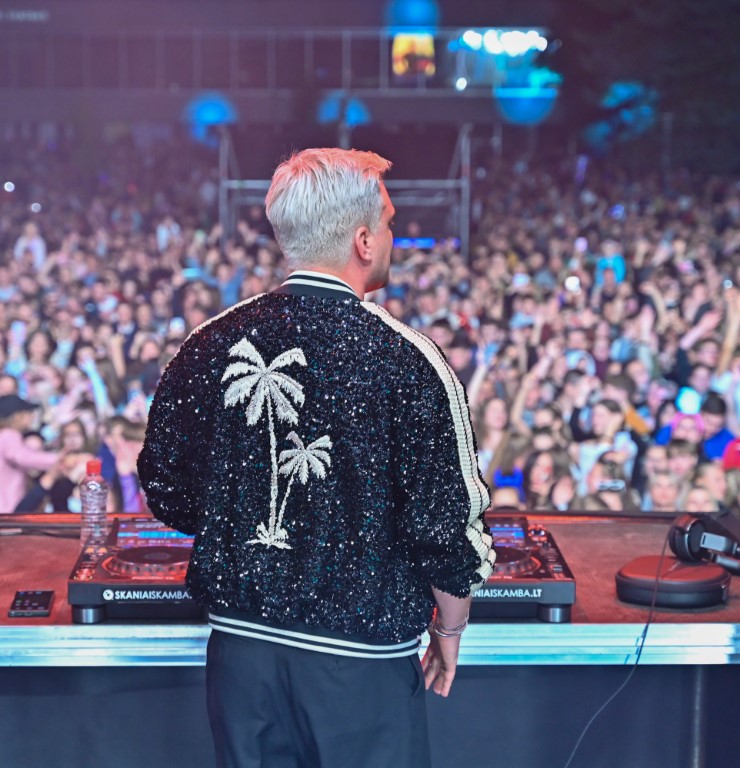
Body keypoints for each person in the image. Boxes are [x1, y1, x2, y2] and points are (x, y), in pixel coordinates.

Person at [138, 148, 495, 768]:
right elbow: (446, 528)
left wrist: (245, 528)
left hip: (240, 661)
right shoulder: (408, 359)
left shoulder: (210, 343)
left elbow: (165, 485)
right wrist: (449, 630)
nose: (392, 236)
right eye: (388, 223)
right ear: (363, 240)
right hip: (362, 668)